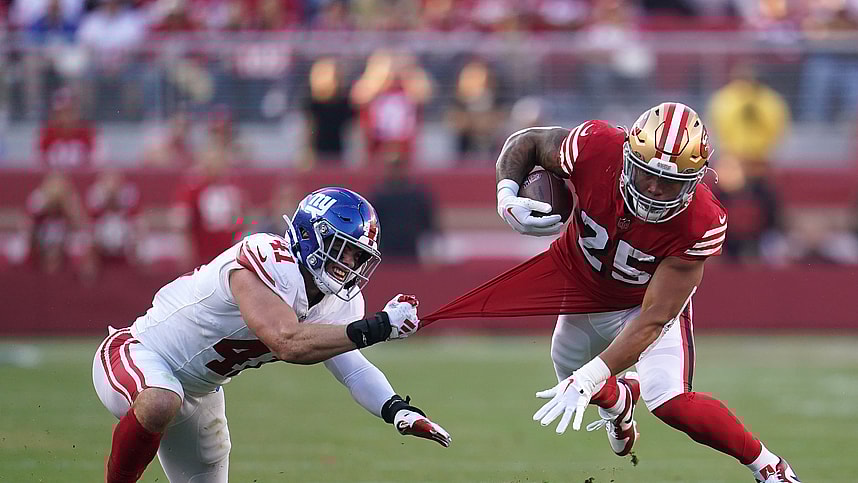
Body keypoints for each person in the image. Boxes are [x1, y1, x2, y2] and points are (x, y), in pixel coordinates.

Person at [422, 103, 799, 483]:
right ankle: (618, 400)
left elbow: (654, 319)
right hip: (586, 288)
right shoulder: (596, 146)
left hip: (643, 303)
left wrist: (592, 376)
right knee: (567, 369)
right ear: (627, 155)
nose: (653, 188)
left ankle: (769, 467)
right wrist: (506, 196)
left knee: (670, 401)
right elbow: (529, 142)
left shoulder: (701, 221)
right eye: (647, 173)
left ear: (695, 181)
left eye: (669, 182)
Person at [92, 187, 452, 483]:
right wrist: (380, 326)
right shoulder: (266, 255)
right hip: (140, 352)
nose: (353, 266)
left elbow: (352, 367)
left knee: (171, 402)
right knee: (159, 400)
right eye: (347, 251)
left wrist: (398, 410)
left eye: (360, 257)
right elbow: (287, 342)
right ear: (314, 237)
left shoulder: (337, 300)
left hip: (200, 393)